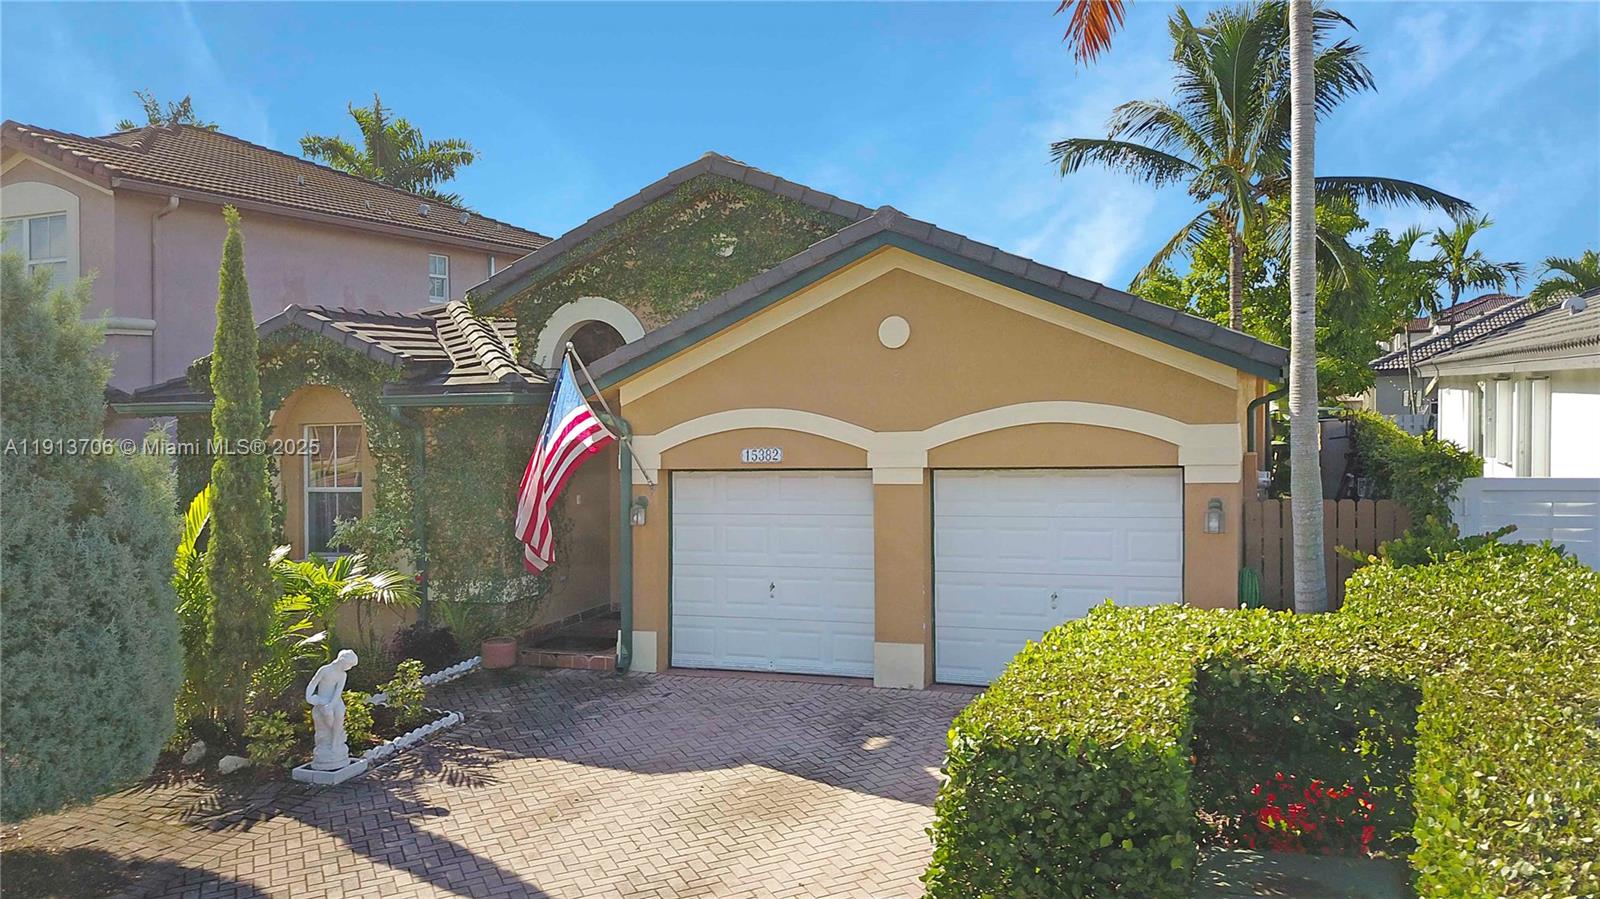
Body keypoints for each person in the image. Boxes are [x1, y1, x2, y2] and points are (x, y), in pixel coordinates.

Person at [305, 649, 359, 770]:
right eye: (349, 665)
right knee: (328, 719)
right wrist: (309, 697)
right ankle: (331, 740)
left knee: (339, 715)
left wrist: (331, 705)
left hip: (335, 701)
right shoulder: (325, 670)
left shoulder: (342, 675)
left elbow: (338, 692)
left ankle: (335, 742)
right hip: (322, 700)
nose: (349, 668)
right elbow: (313, 683)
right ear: (342, 660)